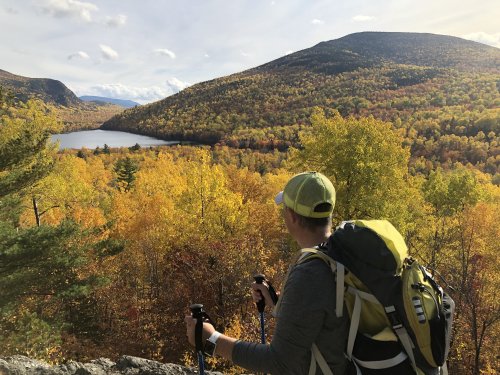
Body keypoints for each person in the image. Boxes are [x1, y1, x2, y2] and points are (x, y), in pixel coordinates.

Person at [185, 171, 350, 374]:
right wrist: (279, 302)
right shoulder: (343, 253)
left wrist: (211, 338)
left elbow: (278, 362)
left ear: (292, 217)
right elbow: (329, 312)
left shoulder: (310, 273)